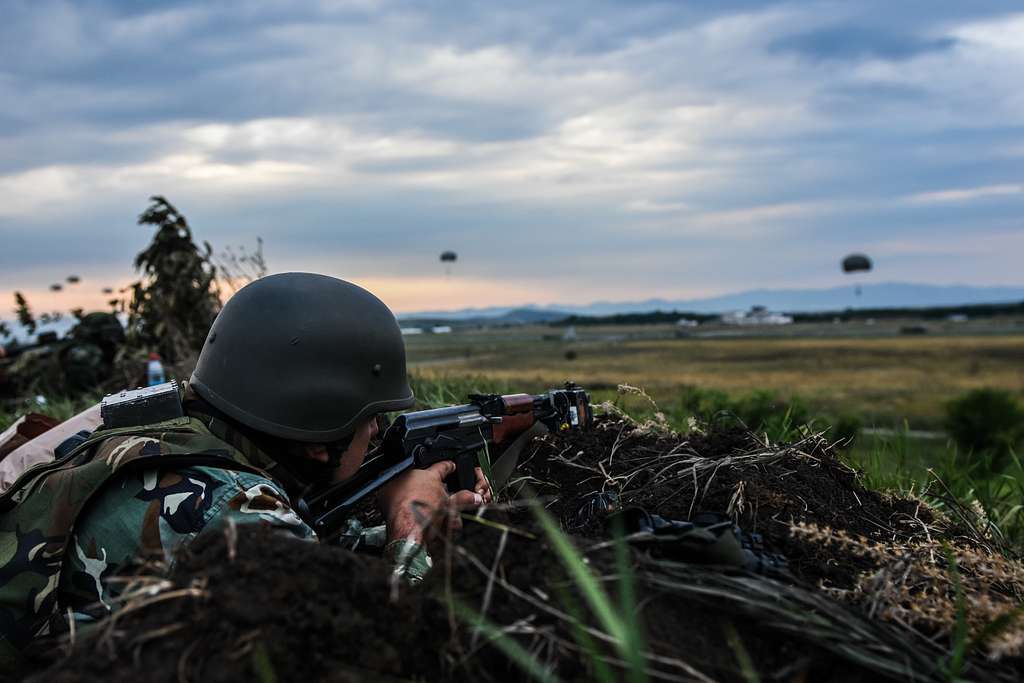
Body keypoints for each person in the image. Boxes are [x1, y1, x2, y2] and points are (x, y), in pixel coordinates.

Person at [0, 272, 491, 662]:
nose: (379, 432)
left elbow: (298, 548)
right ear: (323, 436)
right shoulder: (230, 506)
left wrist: (375, 527)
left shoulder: (167, 432)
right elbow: (383, 653)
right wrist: (410, 531)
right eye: (371, 420)